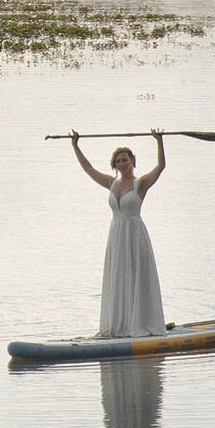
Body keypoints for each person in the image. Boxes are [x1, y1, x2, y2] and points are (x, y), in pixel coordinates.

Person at [69, 130, 167, 337]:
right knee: (118, 277)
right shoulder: (111, 184)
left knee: (136, 276)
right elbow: (88, 168)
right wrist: (75, 146)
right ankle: (119, 325)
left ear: (132, 161)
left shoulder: (140, 184)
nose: (122, 164)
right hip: (116, 235)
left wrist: (159, 141)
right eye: (118, 161)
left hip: (134, 233)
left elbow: (161, 167)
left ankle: (140, 324)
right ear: (114, 165)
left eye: (125, 160)